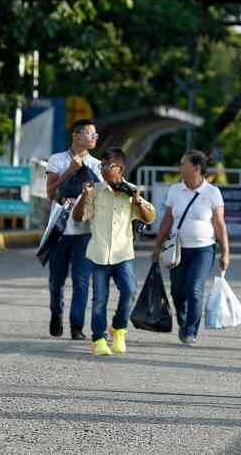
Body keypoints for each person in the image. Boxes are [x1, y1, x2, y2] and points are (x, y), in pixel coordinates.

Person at [73, 148, 156, 356]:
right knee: (99, 298)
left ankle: (118, 329)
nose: (104, 170)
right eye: (102, 166)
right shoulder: (95, 190)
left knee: (129, 290)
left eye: (109, 166)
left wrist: (137, 200)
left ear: (121, 168)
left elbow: (149, 218)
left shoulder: (131, 191)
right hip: (99, 254)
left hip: (123, 254)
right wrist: (84, 196)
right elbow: (78, 217)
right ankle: (99, 338)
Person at [152, 150, 231, 346]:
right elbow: (168, 219)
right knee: (177, 292)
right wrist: (157, 245)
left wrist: (225, 252)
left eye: (183, 163)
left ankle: (190, 331)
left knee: (194, 288)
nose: (180, 167)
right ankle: (183, 322)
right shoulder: (175, 190)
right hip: (178, 249)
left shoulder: (213, 192)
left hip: (203, 249)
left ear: (195, 167)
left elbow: (220, 224)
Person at [44, 119, 101, 340]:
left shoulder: (96, 165)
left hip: (85, 232)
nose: (94, 137)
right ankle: (56, 314)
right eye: (90, 133)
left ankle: (77, 325)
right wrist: (69, 171)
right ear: (76, 135)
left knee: (82, 280)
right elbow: (50, 194)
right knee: (56, 280)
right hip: (60, 229)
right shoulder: (57, 160)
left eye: (96, 134)